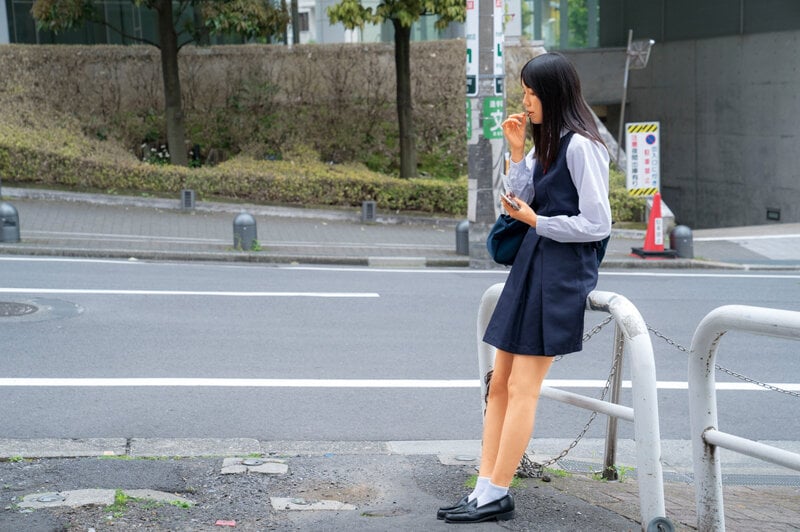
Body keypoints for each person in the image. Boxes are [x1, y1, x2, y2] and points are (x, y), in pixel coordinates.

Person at [438, 52, 611, 524]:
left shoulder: (581, 147)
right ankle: (482, 489)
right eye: (524, 93)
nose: (525, 102)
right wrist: (516, 154)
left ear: (552, 95)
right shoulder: (547, 145)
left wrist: (538, 221)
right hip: (533, 265)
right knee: (499, 387)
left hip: (561, 272)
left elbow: (598, 223)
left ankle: (498, 491)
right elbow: (521, 201)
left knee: (523, 387)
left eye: (531, 93)